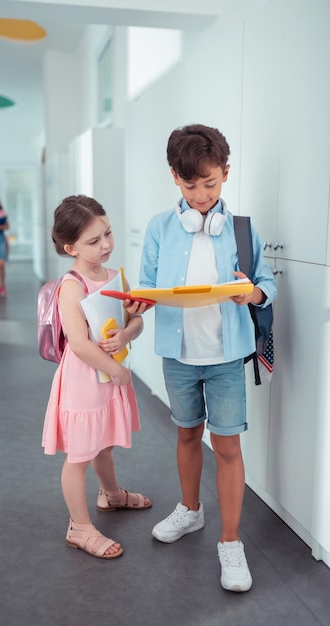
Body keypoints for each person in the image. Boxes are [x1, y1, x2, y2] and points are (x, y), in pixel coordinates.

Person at [139, 124, 277, 591]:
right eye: (190, 184)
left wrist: (250, 291)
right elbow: (147, 285)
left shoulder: (241, 229)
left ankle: (231, 541)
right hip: (178, 355)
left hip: (225, 357)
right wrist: (140, 302)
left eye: (210, 183)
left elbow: (267, 285)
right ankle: (191, 511)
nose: (200, 194)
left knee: (227, 446)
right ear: (174, 177)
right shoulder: (160, 227)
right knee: (185, 435)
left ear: (226, 174)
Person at [42, 194, 151, 560]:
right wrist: (118, 370)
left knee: (103, 442)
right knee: (79, 455)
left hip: (108, 376)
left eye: (107, 234)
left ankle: (112, 494)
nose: (105, 245)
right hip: (86, 381)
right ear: (70, 246)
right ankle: (80, 527)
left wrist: (126, 334)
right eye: (93, 241)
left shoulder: (114, 275)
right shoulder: (71, 286)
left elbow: (134, 319)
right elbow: (79, 344)